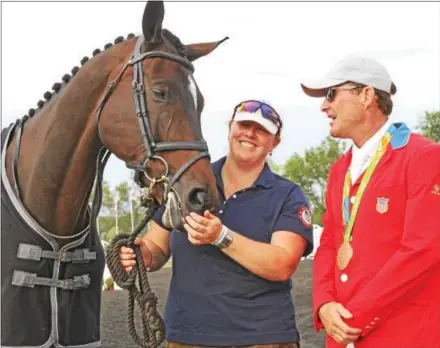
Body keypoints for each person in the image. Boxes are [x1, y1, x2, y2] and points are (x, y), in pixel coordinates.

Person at [120, 99, 314, 348]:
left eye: (262, 130)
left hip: (264, 338)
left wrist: (221, 236)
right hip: (187, 337)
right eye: (244, 124)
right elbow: (156, 247)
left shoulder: (288, 195)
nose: (250, 133)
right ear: (230, 128)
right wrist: (142, 254)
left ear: (274, 143)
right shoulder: (187, 180)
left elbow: (282, 264)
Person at [301, 55, 440, 348]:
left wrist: (356, 316)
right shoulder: (340, 169)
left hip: (403, 336)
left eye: (331, 94)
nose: (324, 105)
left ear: (366, 96)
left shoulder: (423, 157)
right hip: (342, 337)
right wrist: (324, 304)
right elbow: (329, 243)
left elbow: (422, 250)